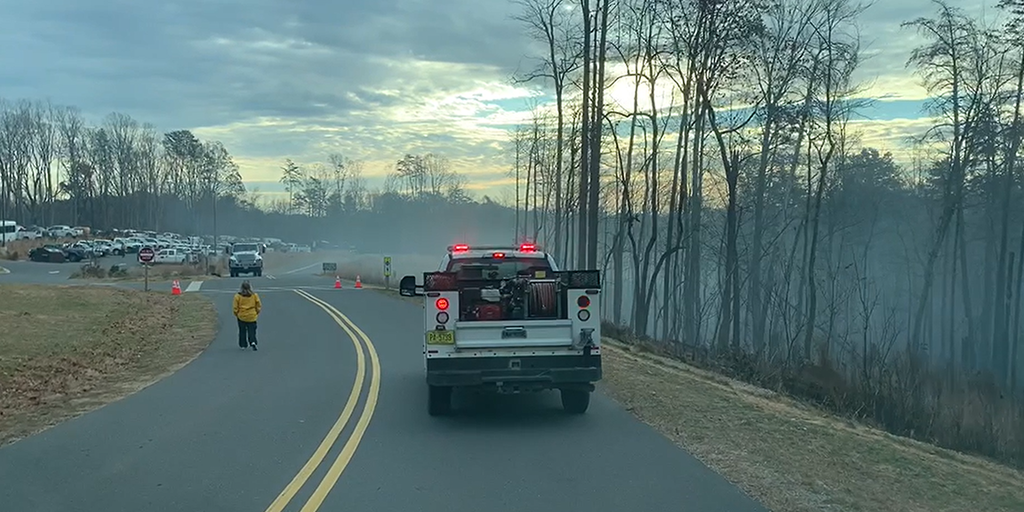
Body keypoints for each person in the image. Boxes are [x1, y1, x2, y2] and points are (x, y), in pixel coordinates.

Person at [233, 280, 262, 351]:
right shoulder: (254, 295)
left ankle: (243, 344)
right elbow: (258, 305)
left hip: (242, 316)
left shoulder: (237, 296)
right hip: (252, 316)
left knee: (242, 330)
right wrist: (256, 312)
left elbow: (235, 307)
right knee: (252, 330)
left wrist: (236, 313)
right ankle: (253, 341)